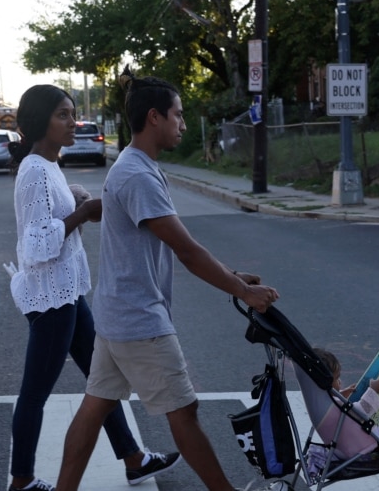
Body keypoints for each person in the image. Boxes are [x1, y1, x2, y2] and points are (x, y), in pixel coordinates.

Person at [55, 72, 280, 491]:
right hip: (139, 321)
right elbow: (187, 249)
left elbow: (177, 244)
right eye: (177, 115)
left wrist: (232, 276)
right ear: (154, 117)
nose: (182, 123)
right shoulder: (138, 174)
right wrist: (242, 290)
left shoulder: (135, 166)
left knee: (94, 409)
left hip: (116, 314)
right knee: (185, 411)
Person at [6, 84, 181, 491]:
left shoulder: (49, 164)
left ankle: (134, 459)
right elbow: (34, 246)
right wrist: (83, 211)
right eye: (62, 115)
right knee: (35, 393)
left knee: (102, 380)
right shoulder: (34, 169)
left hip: (68, 294)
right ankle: (21, 481)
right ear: (40, 122)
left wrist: (78, 202)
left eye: (71, 113)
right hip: (52, 299)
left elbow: (52, 217)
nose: (72, 122)